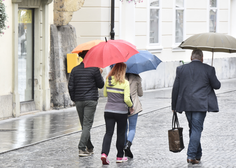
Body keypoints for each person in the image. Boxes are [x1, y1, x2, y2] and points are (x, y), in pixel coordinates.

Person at [171, 49, 221, 165]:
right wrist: (211, 74)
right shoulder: (209, 69)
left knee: (193, 129)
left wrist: (173, 105)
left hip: (186, 104)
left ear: (191, 57)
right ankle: (191, 156)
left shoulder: (181, 69)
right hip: (201, 104)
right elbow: (217, 85)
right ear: (202, 58)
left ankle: (197, 154)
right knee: (196, 129)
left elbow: (176, 88)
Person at [68, 50, 104, 157]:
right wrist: (100, 73)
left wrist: (74, 99)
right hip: (91, 100)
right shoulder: (94, 69)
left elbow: (70, 87)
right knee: (87, 124)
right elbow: (101, 85)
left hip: (78, 100)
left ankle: (89, 147)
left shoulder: (74, 70)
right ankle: (81, 148)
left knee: (84, 125)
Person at [101, 63, 134, 165]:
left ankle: (104, 154)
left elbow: (105, 94)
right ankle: (119, 156)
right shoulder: (125, 82)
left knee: (108, 133)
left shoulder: (108, 80)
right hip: (121, 112)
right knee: (120, 134)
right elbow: (126, 99)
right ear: (123, 71)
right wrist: (131, 106)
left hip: (108, 111)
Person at [124, 73, 143, 158]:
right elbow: (140, 93)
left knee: (124, 130)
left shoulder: (120, 77)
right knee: (132, 128)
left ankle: (124, 146)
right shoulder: (136, 78)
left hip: (122, 107)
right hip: (134, 106)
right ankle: (128, 144)